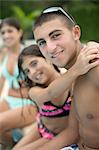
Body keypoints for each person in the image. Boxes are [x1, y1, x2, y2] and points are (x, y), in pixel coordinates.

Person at [32, 6, 99, 150]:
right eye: (42, 42)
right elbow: (72, 132)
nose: (50, 48)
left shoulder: (95, 65)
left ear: (75, 33)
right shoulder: (72, 74)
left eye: (55, 35)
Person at [12, 43, 94, 150]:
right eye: (27, 71)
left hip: (63, 134)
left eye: (34, 64)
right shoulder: (34, 90)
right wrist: (76, 68)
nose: (32, 72)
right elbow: (50, 93)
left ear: (48, 59)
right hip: (43, 129)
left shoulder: (72, 83)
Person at [0, 18, 37, 149]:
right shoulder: (4, 53)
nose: (6, 35)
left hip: (28, 104)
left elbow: (36, 86)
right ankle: (8, 146)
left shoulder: (28, 54)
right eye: (3, 32)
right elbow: (3, 80)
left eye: (10, 31)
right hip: (8, 100)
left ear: (20, 32)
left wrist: (13, 92)